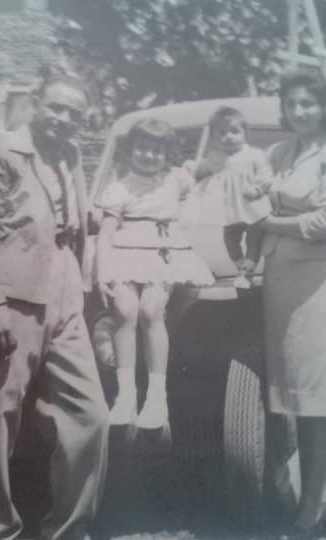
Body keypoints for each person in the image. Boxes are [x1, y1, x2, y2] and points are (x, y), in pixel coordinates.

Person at [0, 74, 109, 540]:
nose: (63, 119)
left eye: (74, 113)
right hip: (9, 300)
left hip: (66, 297)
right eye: (55, 107)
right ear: (35, 103)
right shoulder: (0, 155)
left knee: (90, 416)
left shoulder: (71, 155)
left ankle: (70, 530)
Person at [257, 70, 326, 539]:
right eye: (292, 103)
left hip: (325, 280)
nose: (299, 111)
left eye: (308, 103)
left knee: (320, 393)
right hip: (282, 279)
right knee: (295, 392)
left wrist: (272, 221)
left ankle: (315, 503)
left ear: (324, 107)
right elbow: (248, 191)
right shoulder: (278, 153)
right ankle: (307, 495)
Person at [95, 118, 214, 430]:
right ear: (130, 151)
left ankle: (156, 397)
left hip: (163, 254)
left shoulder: (176, 179)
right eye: (142, 148)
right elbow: (106, 234)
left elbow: (210, 171)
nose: (149, 156)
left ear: (167, 153)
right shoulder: (119, 188)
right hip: (124, 254)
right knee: (125, 311)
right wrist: (102, 273)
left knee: (151, 310)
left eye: (157, 150)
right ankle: (126, 395)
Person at [182, 106, 273, 288]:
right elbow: (201, 169)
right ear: (214, 137)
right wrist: (190, 168)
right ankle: (241, 267)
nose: (228, 136)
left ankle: (246, 273)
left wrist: (256, 189)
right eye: (222, 133)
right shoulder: (215, 156)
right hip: (229, 208)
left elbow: (266, 176)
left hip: (252, 206)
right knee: (230, 239)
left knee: (254, 239)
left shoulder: (254, 154)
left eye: (234, 131)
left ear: (245, 132)